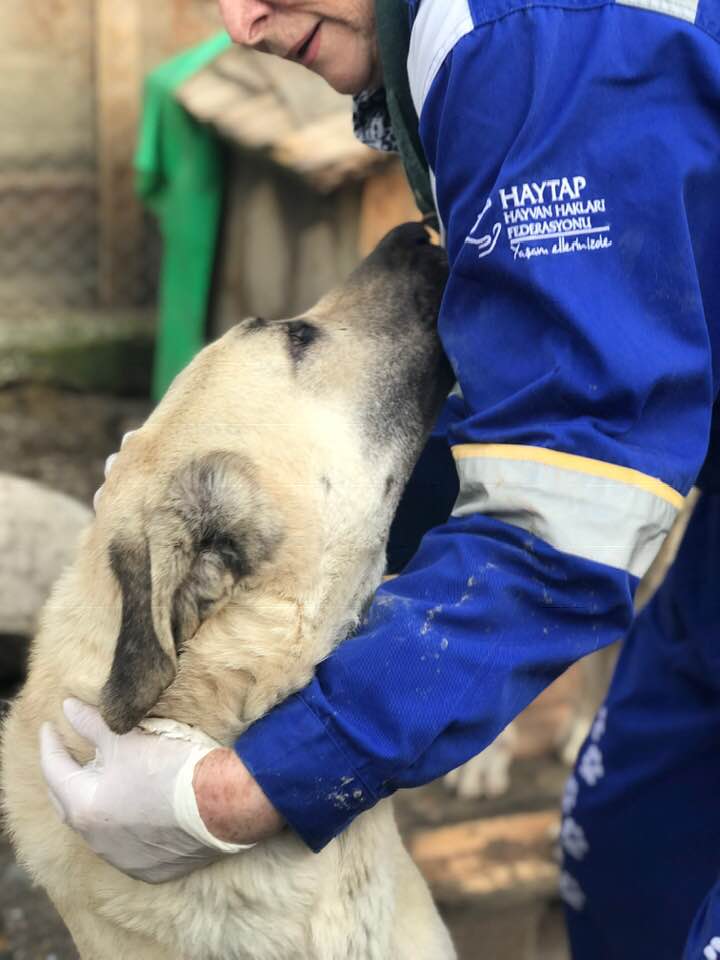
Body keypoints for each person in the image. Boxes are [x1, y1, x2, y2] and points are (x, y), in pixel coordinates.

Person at [40, 1, 720, 956]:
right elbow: (565, 390)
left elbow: (569, 496)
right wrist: (259, 509)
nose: (242, 23)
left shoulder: (527, 40)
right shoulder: (458, 45)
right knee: (630, 861)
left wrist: (251, 788)